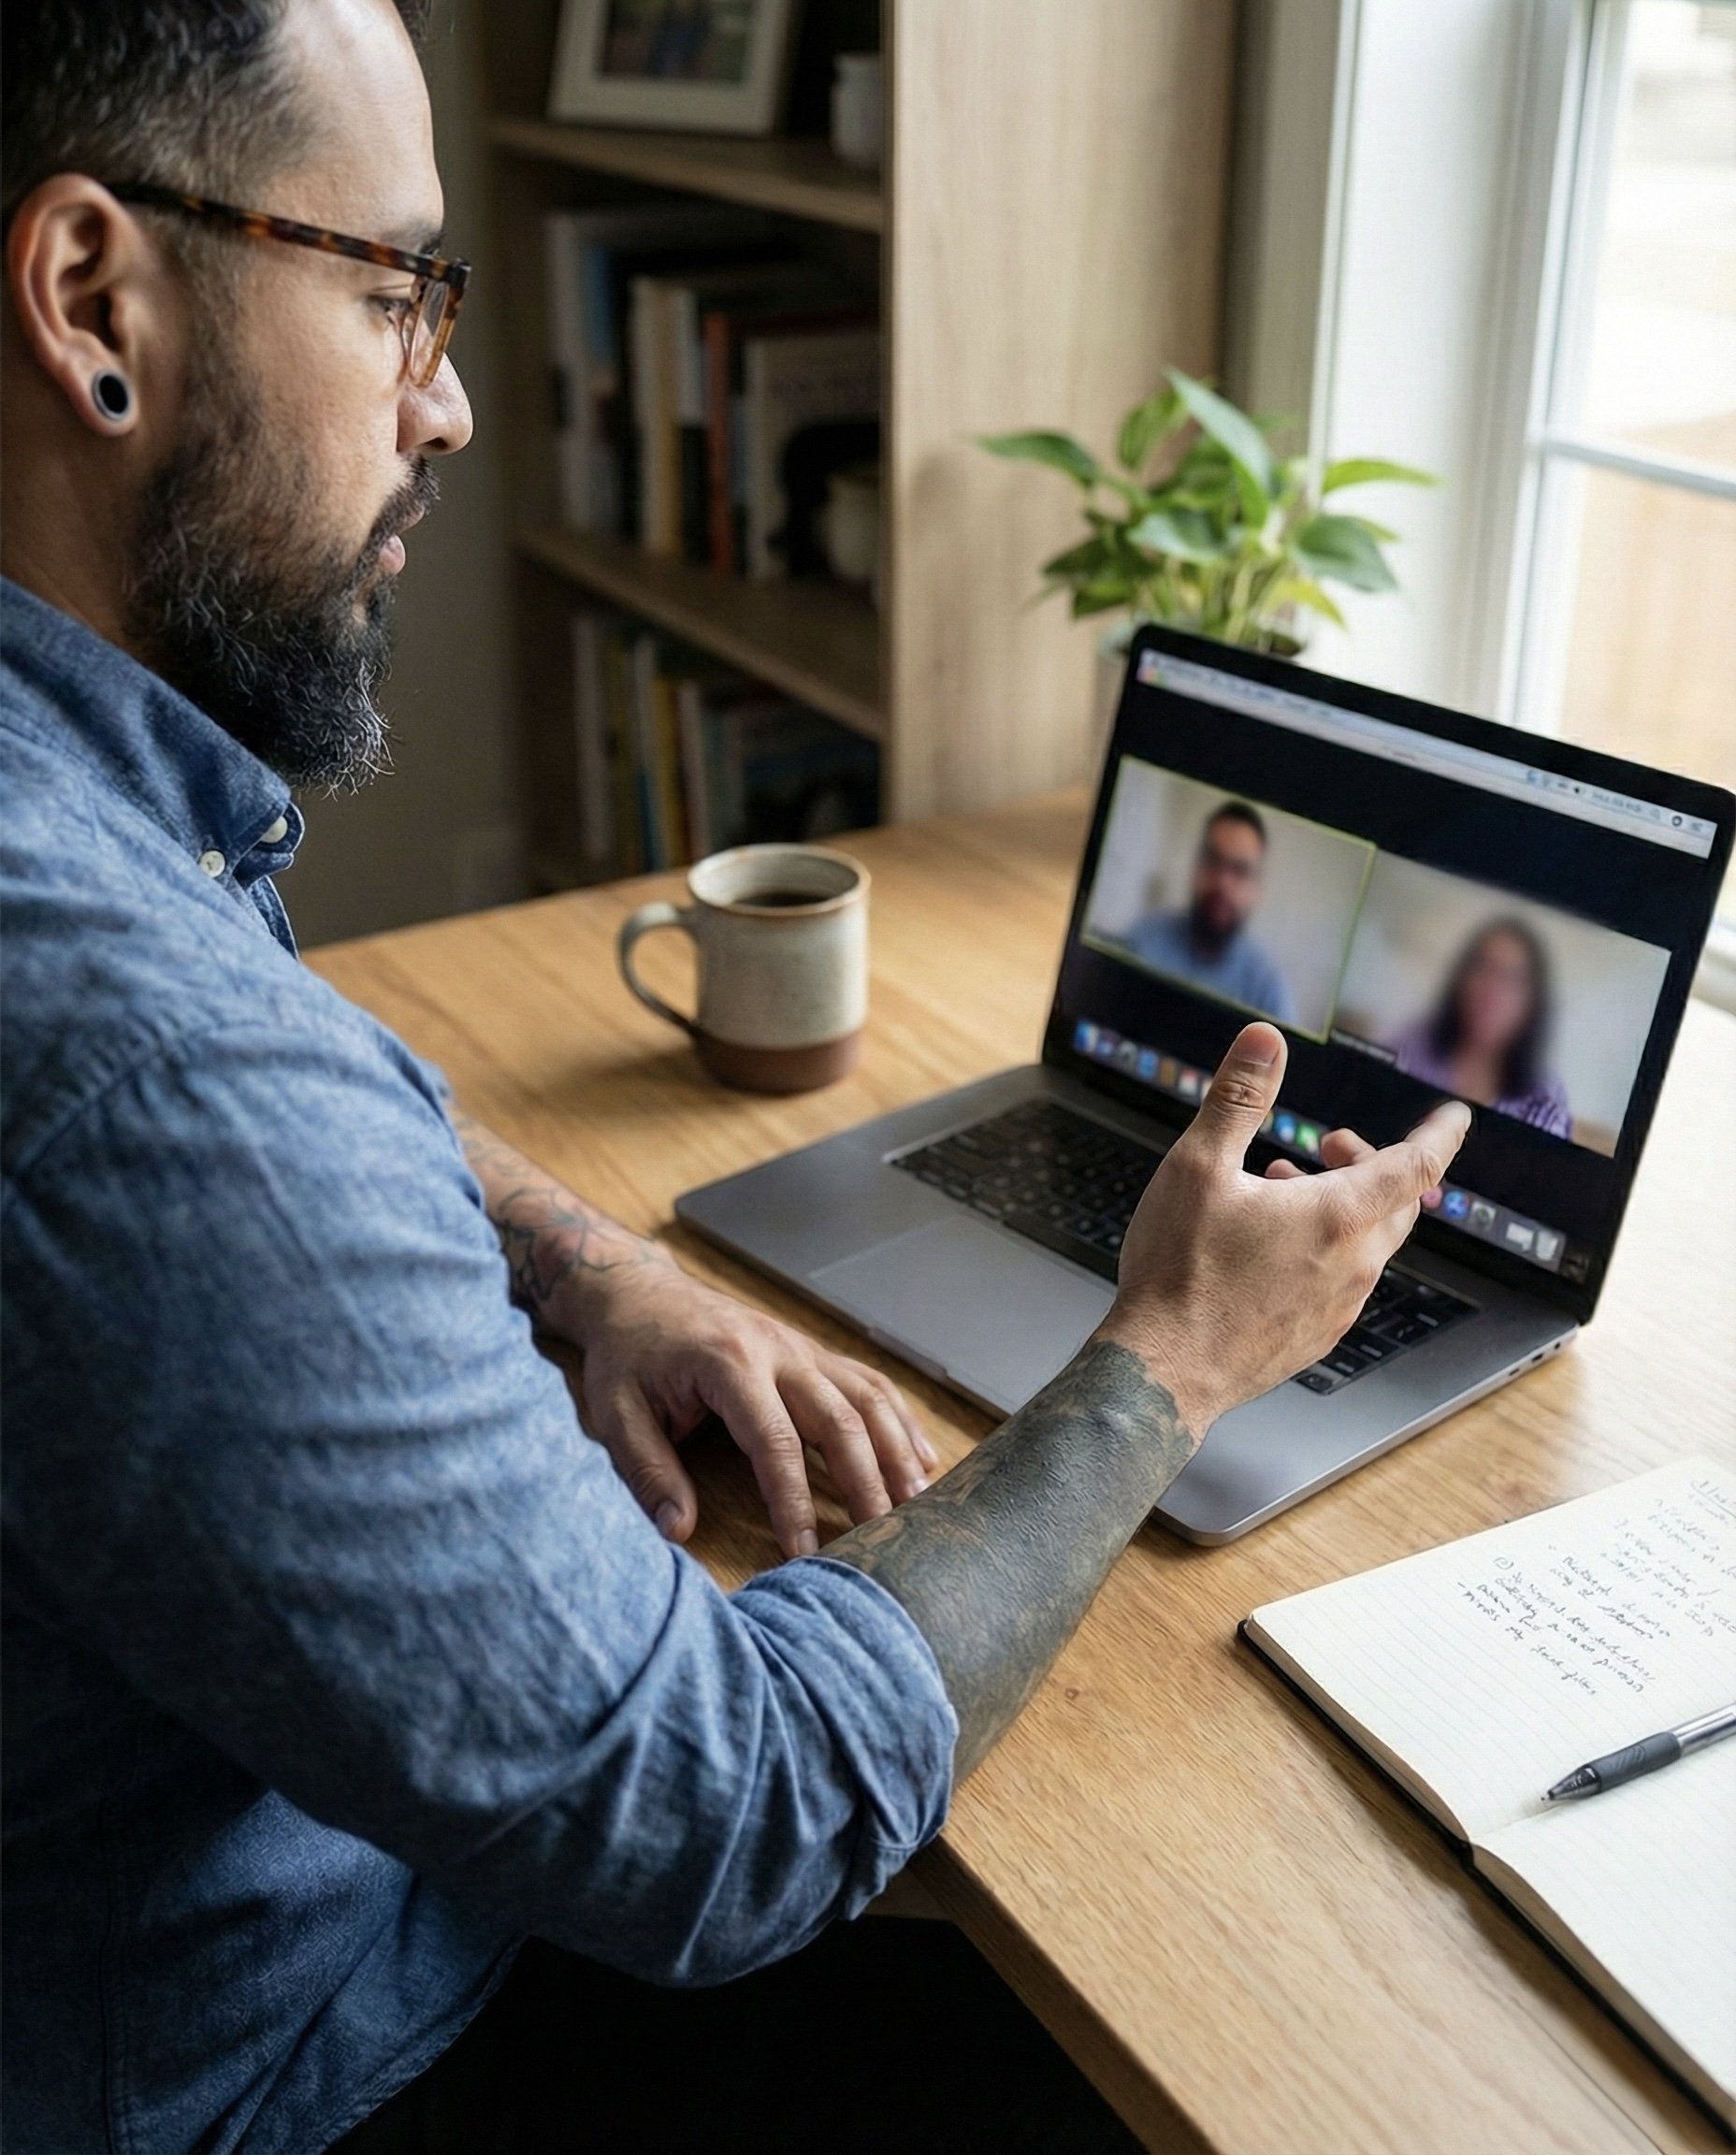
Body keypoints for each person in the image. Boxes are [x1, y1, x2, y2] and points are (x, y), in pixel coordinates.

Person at [0, 3, 1470, 2149]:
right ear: (91, 302)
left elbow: (232, 1045)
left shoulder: (83, 830)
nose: (457, 401)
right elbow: (734, 1818)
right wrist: (1173, 1351)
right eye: (400, 290)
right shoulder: (138, 1060)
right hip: (273, 2064)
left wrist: (589, 1259)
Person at [1392, 918, 1571, 1138]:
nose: (1491, 992)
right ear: (1461, 979)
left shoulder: (1545, 1097)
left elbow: (1546, 1170)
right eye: (1484, 969)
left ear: (1531, 1004)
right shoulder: (1411, 1047)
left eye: (1510, 979)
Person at [1121, 799, 1296, 1024]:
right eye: (1213, 861)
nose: (1222, 882)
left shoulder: (1269, 993)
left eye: (1240, 870)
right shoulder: (1141, 941)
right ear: (1196, 867)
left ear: (1257, 890)